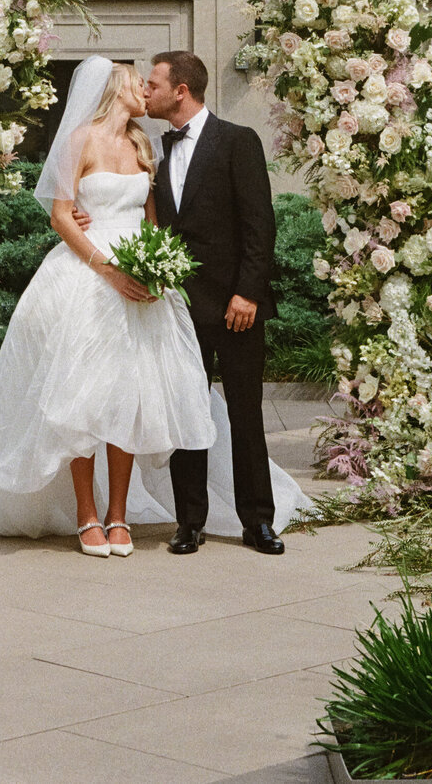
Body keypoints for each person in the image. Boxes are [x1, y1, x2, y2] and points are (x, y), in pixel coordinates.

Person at [0, 55, 215, 553]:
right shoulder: (80, 140)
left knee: (128, 396)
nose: (144, 88)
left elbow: (152, 222)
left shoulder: (143, 145)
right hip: (89, 276)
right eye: (135, 81)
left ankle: (119, 515)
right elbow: (60, 216)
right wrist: (107, 268)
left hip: (140, 282)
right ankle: (86, 514)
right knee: (83, 398)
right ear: (113, 87)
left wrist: (155, 268)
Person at [145, 50, 287, 556]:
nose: (146, 91)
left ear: (180, 90)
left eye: (153, 83)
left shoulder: (236, 141)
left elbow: (259, 224)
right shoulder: (157, 155)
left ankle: (258, 521)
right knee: (187, 414)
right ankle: (190, 522)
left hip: (236, 307)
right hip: (181, 309)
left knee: (246, 413)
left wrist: (247, 291)